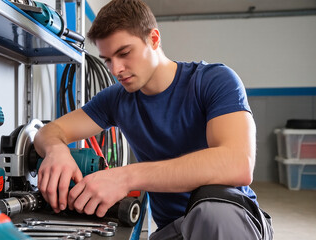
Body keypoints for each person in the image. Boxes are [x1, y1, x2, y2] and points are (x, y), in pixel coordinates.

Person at [33, 0, 273, 239]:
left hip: (229, 217)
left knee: (212, 213)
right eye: (107, 59)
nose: (116, 70)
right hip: (172, 229)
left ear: (154, 39)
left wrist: (125, 177)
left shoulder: (213, 81)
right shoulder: (116, 99)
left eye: (124, 53)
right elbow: (51, 131)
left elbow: (237, 164)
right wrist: (56, 151)